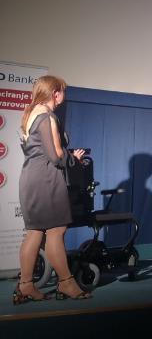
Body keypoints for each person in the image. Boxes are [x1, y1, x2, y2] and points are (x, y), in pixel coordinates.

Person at [13, 75, 92, 304]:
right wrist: (74, 158)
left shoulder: (30, 114)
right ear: (55, 93)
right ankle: (66, 282)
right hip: (46, 181)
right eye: (63, 91)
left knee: (35, 232)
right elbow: (56, 156)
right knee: (56, 230)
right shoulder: (47, 116)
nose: (64, 95)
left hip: (31, 179)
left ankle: (26, 286)